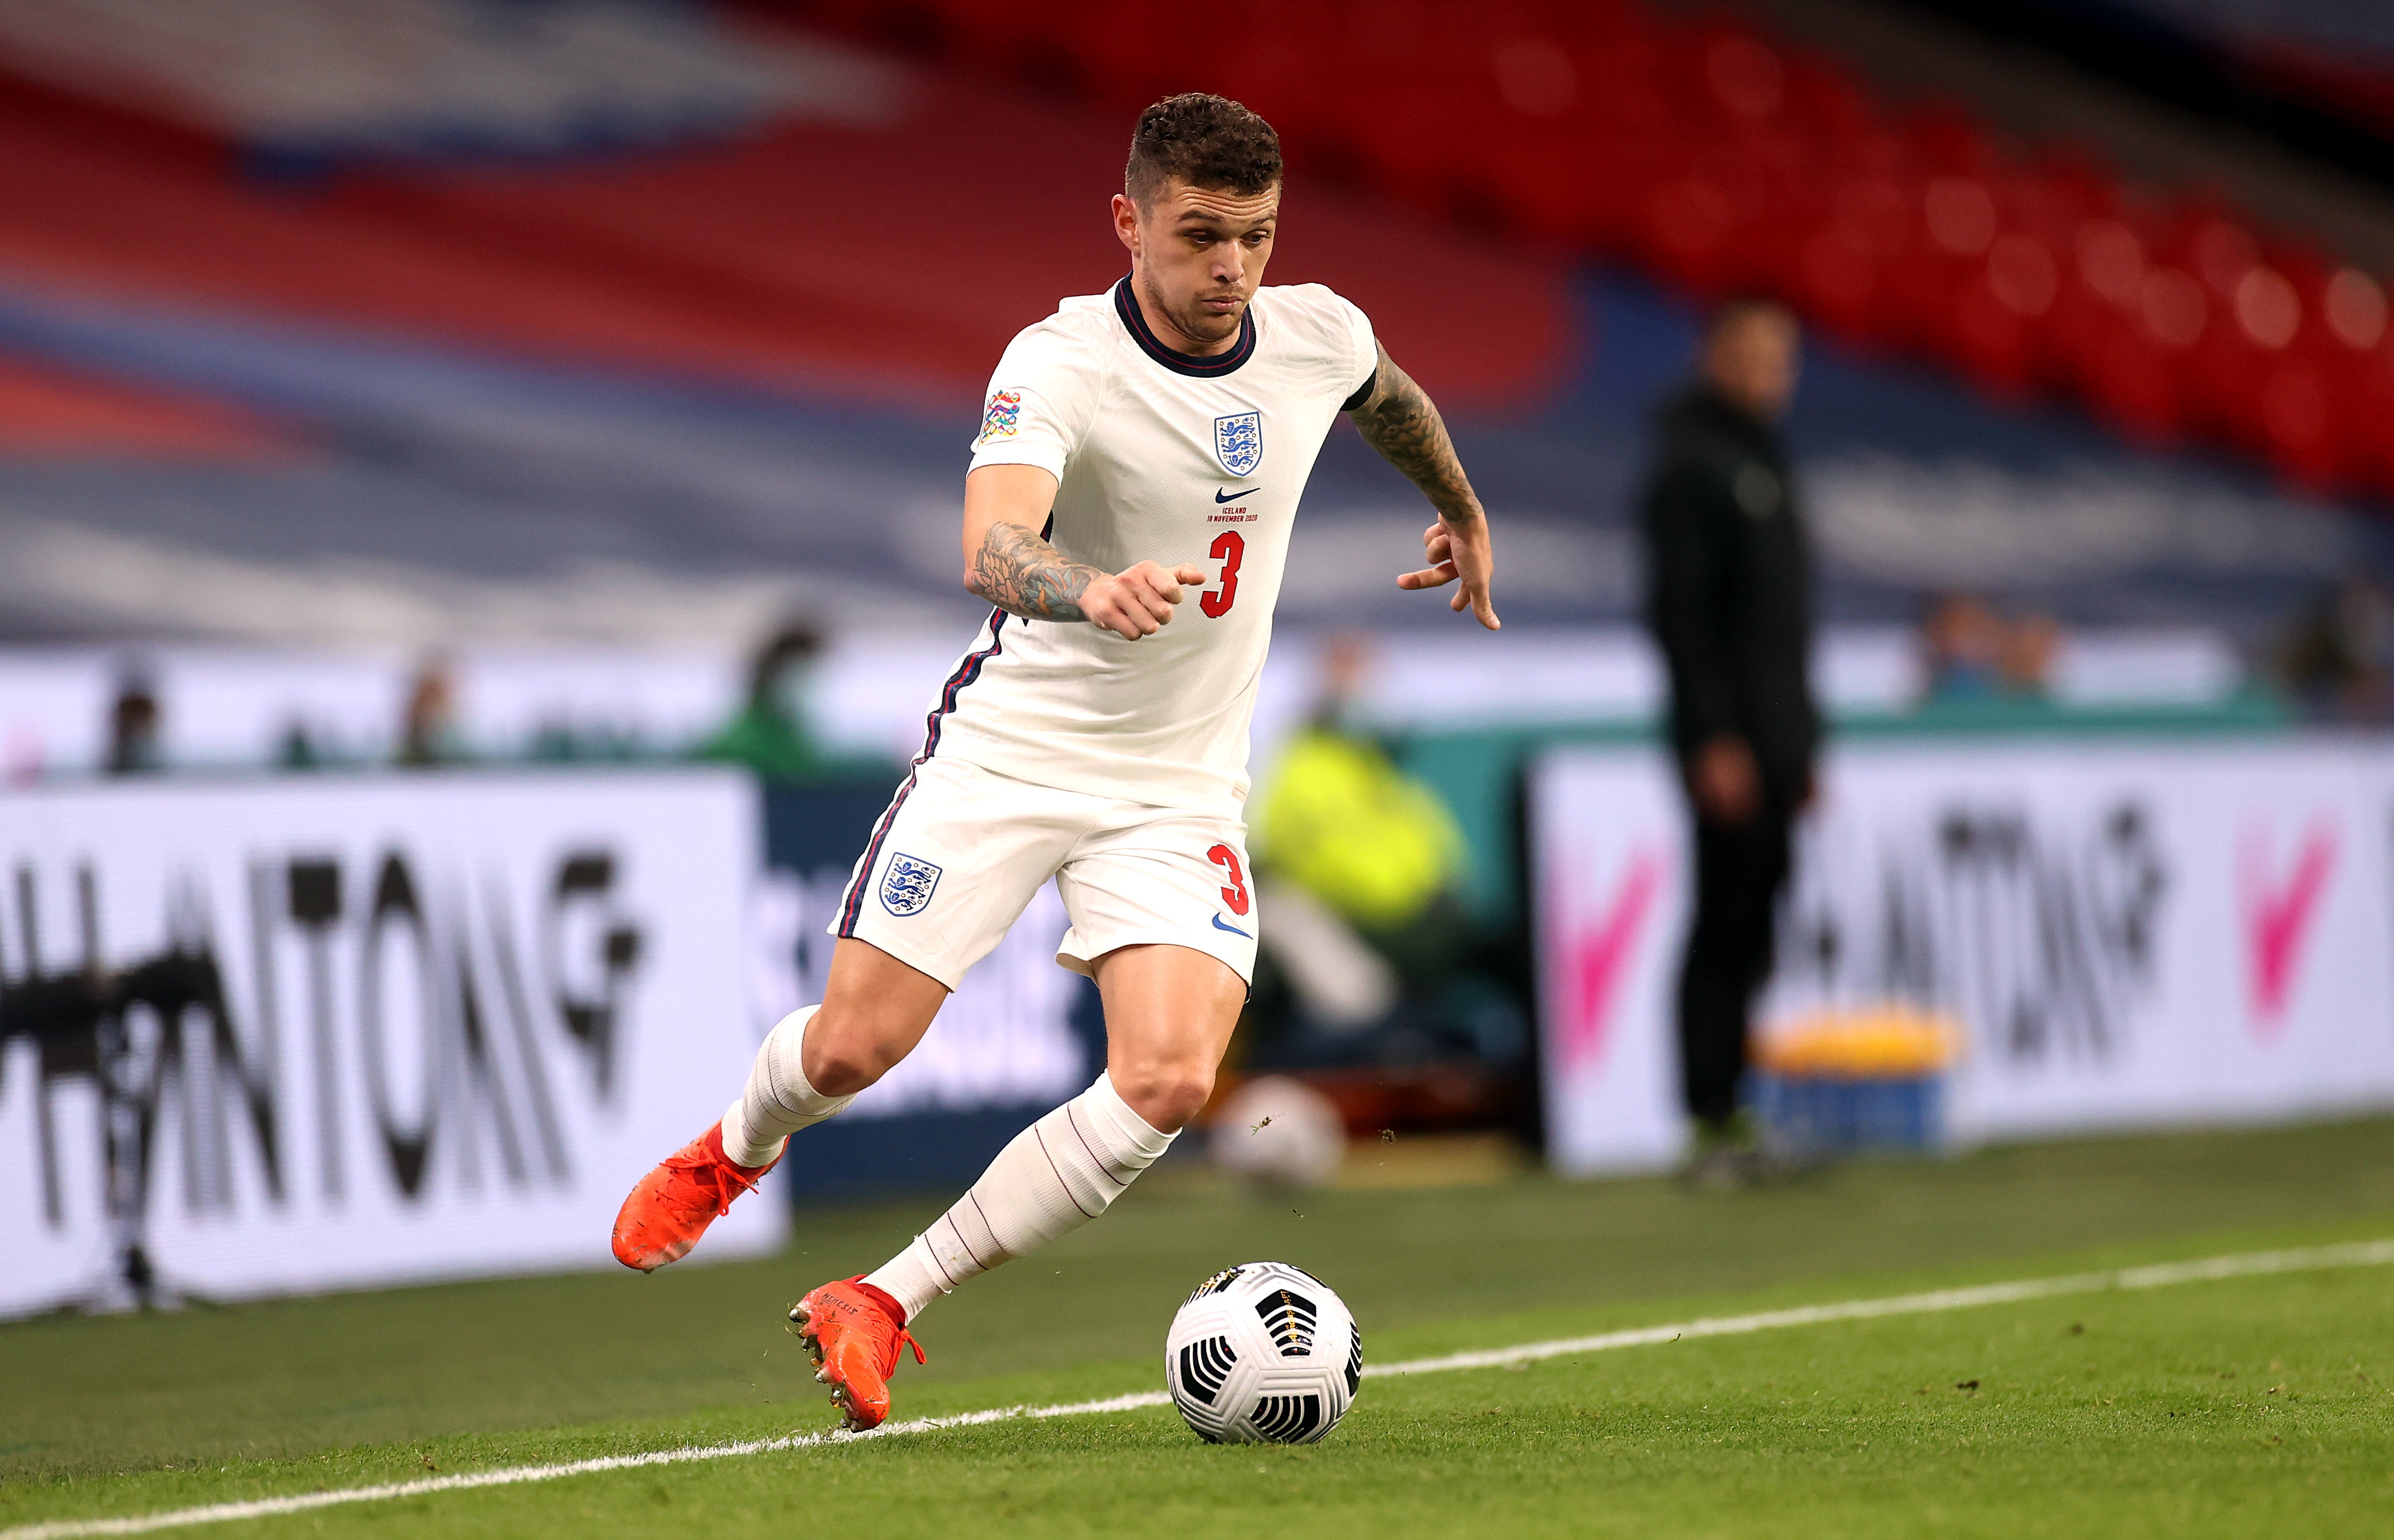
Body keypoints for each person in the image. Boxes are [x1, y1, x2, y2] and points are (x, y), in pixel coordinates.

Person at [607, 93, 1500, 1430]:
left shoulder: (1316, 331)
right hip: (1016, 752)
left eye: (1254, 237)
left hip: (1177, 784)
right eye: (1200, 235)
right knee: (855, 1047)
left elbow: (1389, 397)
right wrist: (1087, 588)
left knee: (1168, 1081)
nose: (1230, 269)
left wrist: (1461, 510)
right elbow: (992, 546)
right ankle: (733, 1148)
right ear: (1129, 222)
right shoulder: (1060, 361)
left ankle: (884, 1297)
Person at [1638, 297, 1818, 1186]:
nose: (1770, 375)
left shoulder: (1763, 461)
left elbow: (1784, 630)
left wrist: (1802, 744)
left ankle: (1736, 1106)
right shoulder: (1693, 467)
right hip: (1731, 745)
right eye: (1754, 356)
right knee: (1722, 926)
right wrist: (1714, 737)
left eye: (1781, 359)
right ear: (1717, 356)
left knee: (1754, 927)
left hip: (1775, 741)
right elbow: (1686, 620)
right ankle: (1707, 1121)